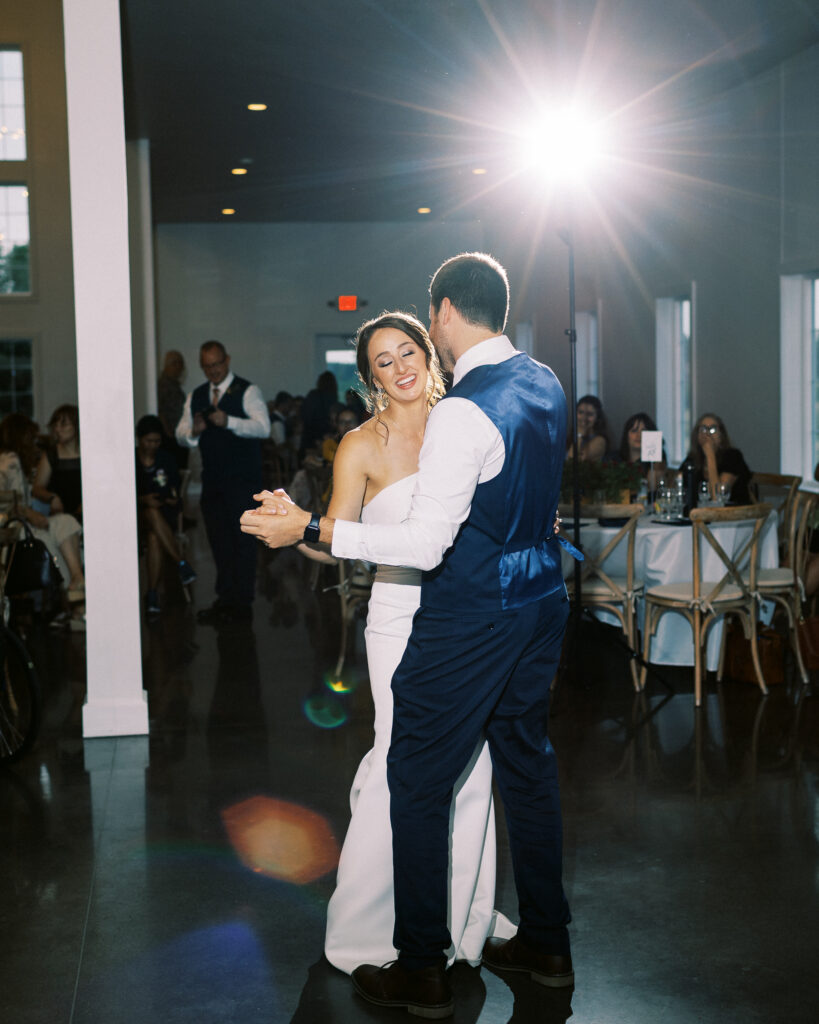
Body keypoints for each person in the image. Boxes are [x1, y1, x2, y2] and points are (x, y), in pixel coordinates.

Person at [242, 253, 573, 1017]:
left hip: (469, 618)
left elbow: (427, 546)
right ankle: (548, 942)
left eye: (417, 339)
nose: (405, 358)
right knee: (525, 767)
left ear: (444, 317)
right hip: (537, 605)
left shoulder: (462, 409)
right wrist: (309, 530)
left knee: (418, 779)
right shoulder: (544, 380)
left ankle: (420, 966)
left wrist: (311, 525)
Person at [291, 310, 514, 976]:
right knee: (401, 763)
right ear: (368, 379)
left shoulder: (467, 422)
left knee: (472, 767)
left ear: (428, 352)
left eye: (407, 351)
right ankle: (370, 925)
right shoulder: (360, 445)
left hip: (470, 617)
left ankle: (462, 917)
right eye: (383, 361)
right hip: (397, 619)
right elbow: (337, 544)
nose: (400, 367)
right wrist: (293, 531)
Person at [176, 340, 270, 623]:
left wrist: (229, 421)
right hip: (213, 483)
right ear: (202, 367)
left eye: (217, 364)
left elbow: (263, 428)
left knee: (243, 543)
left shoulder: (248, 391)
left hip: (243, 483)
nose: (214, 371)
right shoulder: (197, 395)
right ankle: (225, 598)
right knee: (218, 542)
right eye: (208, 366)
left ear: (227, 360)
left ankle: (242, 603)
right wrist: (194, 431)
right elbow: (180, 435)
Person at [0, 413, 85, 615]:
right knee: (54, 537)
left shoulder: (10, 459)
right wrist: (32, 515)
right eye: (32, 437)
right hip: (13, 528)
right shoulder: (10, 461)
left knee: (64, 523)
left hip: (20, 522)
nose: (34, 442)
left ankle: (76, 583)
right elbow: (10, 502)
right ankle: (77, 600)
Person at [135, 414, 196, 616]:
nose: (153, 445)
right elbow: (125, 495)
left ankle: (152, 594)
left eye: (157, 441)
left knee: (154, 536)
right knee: (150, 512)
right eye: (148, 441)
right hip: (137, 518)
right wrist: (143, 500)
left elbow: (176, 495)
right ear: (139, 439)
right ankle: (181, 563)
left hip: (164, 516)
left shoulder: (166, 460)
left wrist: (169, 498)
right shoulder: (131, 461)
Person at [679, 412, 752, 504]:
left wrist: (710, 455)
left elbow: (718, 499)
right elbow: (677, 486)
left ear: (721, 435)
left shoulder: (733, 456)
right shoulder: (693, 458)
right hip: (701, 514)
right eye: (703, 429)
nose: (708, 434)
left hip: (733, 514)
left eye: (713, 429)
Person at [32, 404, 83, 520]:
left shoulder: (89, 453)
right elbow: (37, 488)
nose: (57, 429)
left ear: (77, 426)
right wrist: (52, 497)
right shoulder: (51, 454)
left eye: (63, 424)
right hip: (61, 517)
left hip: (89, 513)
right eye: (56, 424)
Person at [157, 350, 189, 470]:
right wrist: (169, 434)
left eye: (180, 363)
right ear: (166, 365)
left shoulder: (175, 385)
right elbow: (160, 410)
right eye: (174, 363)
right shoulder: (162, 385)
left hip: (178, 435)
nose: (178, 366)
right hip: (170, 439)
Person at [618, 411, 667, 476]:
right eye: (634, 430)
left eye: (643, 431)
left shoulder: (656, 459)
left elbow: (654, 484)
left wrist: (657, 451)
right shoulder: (613, 459)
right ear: (626, 435)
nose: (639, 435)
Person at [567, 393, 608, 462]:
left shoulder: (600, 441)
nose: (584, 418)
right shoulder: (570, 437)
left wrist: (579, 434)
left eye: (589, 414)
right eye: (580, 412)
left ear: (597, 417)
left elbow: (572, 461)